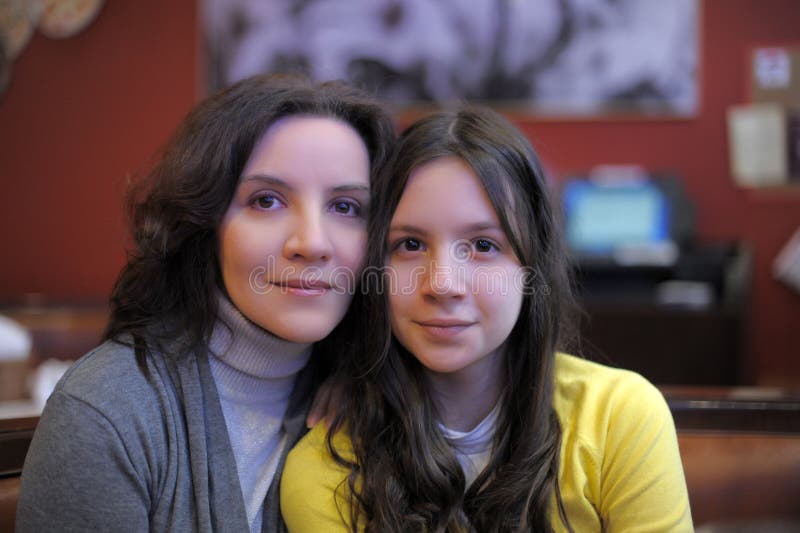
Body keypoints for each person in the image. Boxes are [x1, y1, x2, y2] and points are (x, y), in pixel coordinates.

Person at [281, 106, 693, 532]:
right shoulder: (326, 472)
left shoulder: (618, 417)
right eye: (409, 244)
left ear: (532, 266)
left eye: (482, 245)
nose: (442, 283)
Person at [16, 73, 395, 532]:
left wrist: (369, 387)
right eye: (267, 200)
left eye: (346, 207)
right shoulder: (106, 410)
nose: (312, 243)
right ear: (205, 222)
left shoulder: (372, 396)